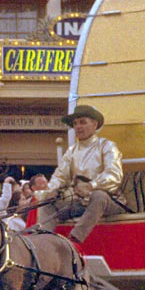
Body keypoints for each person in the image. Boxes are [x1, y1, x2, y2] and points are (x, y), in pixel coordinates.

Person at [32, 105, 124, 245]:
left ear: (94, 124)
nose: (78, 127)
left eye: (82, 122)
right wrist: (50, 191)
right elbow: (59, 176)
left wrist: (91, 186)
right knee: (47, 203)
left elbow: (114, 175)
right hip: (79, 202)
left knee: (98, 195)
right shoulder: (71, 151)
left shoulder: (107, 146)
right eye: (75, 124)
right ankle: (43, 243)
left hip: (109, 201)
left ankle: (74, 241)